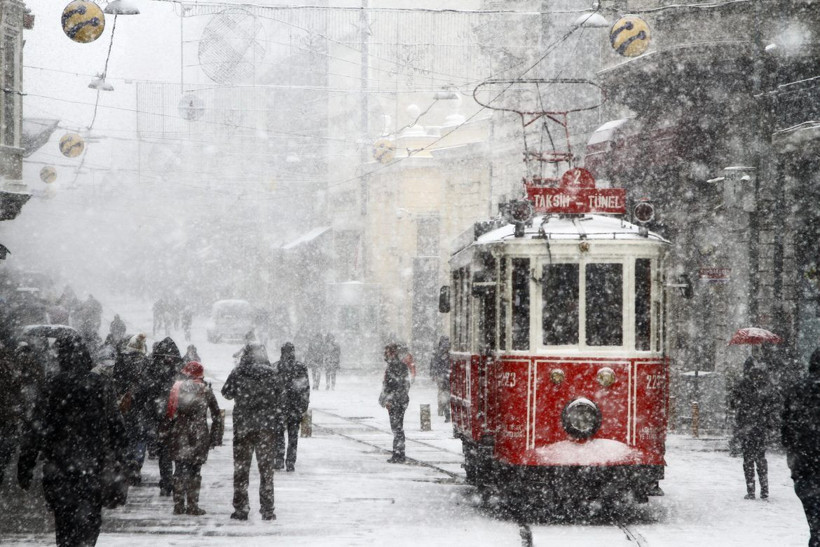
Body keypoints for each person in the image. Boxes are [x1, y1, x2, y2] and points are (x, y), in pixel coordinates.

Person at [17, 333, 128, 547]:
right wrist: (120, 456)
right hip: (92, 464)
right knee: (90, 517)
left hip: (58, 465)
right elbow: (116, 425)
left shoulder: (52, 386)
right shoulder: (100, 385)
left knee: (64, 519)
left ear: (62, 358)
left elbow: (36, 428)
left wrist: (26, 464)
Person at [222, 343, 281, 521]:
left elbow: (227, 393)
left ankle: (241, 508)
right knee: (266, 470)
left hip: (244, 427)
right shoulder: (272, 374)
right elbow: (280, 395)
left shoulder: (238, 372)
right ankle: (268, 509)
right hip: (266, 427)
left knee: (241, 469)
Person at [164, 360, 222, 515]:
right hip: (199, 433)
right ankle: (192, 505)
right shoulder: (206, 390)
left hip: (180, 431)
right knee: (195, 470)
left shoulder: (176, 388)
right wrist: (216, 437)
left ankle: (178, 505)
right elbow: (217, 414)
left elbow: (168, 412)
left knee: (179, 469)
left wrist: (165, 434)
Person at [783, 348, 820, 546]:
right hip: (806, 460)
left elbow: (786, 428)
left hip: (805, 463)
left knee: (814, 519)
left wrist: (794, 457)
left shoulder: (797, 389)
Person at [143, 337, 184, 496]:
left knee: (165, 451)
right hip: (177, 415)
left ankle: (166, 482)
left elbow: (145, 390)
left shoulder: (152, 368)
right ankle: (177, 480)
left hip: (161, 416)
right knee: (178, 451)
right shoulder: (180, 369)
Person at [729, 356, 775, 500]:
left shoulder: (741, 384)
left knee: (748, 459)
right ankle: (765, 489)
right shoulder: (764, 384)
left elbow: (732, 403)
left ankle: (750, 490)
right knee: (761, 458)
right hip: (760, 427)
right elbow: (771, 404)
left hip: (746, 427)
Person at [113, 333, 150, 485]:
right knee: (140, 437)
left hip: (125, 405)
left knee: (127, 435)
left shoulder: (121, 361)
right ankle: (137, 462)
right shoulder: (146, 362)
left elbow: (116, 381)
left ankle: (127, 462)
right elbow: (149, 385)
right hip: (142, 406)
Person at [274, 342, 310, 472]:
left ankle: (279, 459)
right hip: (295, 407)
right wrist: (303, 406)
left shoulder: (276, 367)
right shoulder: (300, 367)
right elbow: (305, 388)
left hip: (279, 406)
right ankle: (290, 461)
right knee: (293, 436)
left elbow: (272, 388)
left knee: (279, 434)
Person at [379, 343, 412, 463]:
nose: (385, 355)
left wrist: (389, 399)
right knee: (398, 427)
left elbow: (391, 385)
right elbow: (404, 384)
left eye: (387, 352)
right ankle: (399, 453)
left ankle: (398, 453)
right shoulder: (399, 366)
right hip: (400, 400)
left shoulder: (394, 366)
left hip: (396, 401)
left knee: (396, 428)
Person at [430, 335, 451, 422]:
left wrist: (433, 373)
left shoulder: (437, 350)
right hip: (448, 374)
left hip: (441, 375)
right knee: (448, 393)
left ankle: (441, 409)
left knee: (441, 392)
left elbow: (433, 363)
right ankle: (447, 409)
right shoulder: (450, 349)